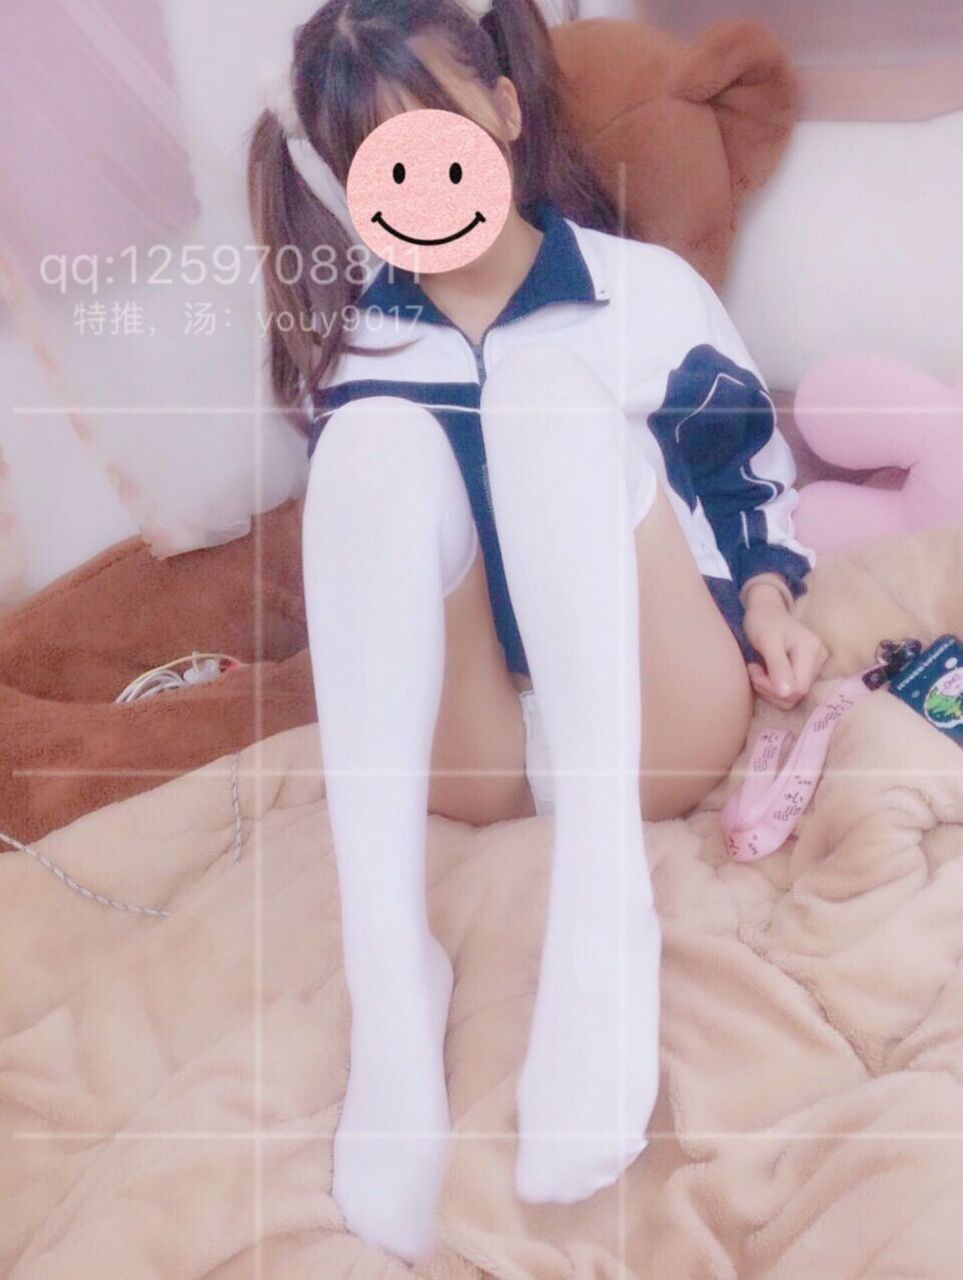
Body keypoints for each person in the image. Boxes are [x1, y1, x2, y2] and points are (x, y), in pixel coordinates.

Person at [247, 0, 828, 1261]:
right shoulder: (358, 347)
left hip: (650, 725)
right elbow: (380, 571)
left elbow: (743, 470)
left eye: (439, 131)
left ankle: (600, 916)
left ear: (505, 111)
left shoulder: (641, 293)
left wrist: (771, 597)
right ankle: (391, 986)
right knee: (370, 445)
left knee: (546, 393)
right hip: (482, 754)